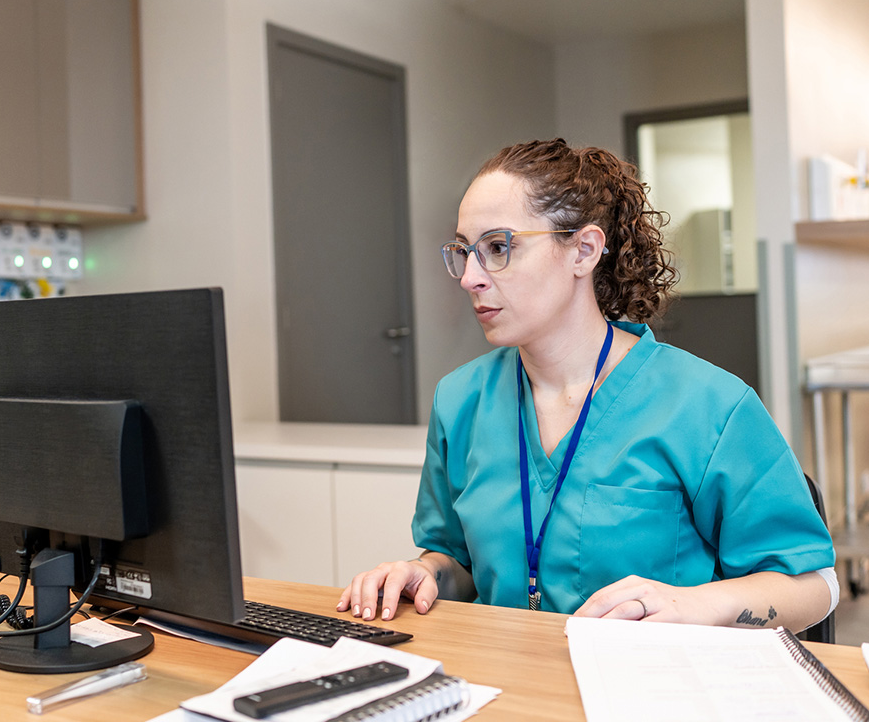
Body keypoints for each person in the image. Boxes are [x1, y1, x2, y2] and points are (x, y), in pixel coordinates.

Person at [337, 138, 837, 631]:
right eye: (464, 251)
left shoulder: (708, 405)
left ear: (583, 250)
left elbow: (815, 585)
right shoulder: (460, 400)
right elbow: (457, 560)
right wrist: (422, 572)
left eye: (496, 247)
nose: (470, 277)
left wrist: (698, 605)